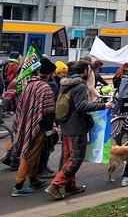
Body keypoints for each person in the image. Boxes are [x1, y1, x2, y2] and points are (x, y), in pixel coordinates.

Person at [45, 60, 114, 199]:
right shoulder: (80, 86)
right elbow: (81, 106)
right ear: (86, 71)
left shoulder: (66, 82)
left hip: (66, 125)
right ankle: (56, 185)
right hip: (77, 126)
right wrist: (103, 106)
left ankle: (70, 186)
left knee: (66, 157)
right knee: (76, 158)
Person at [11, 58, 57, 197]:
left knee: (34, 154)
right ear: (49, 74)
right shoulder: (45, 88)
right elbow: (48, 111)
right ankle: (18, 186)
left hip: (25, 123)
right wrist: (49, 129)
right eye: (53, 73)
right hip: (37, 126)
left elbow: (21, 105)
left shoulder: (30, 85)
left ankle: (33, 179)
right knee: (29, 154)